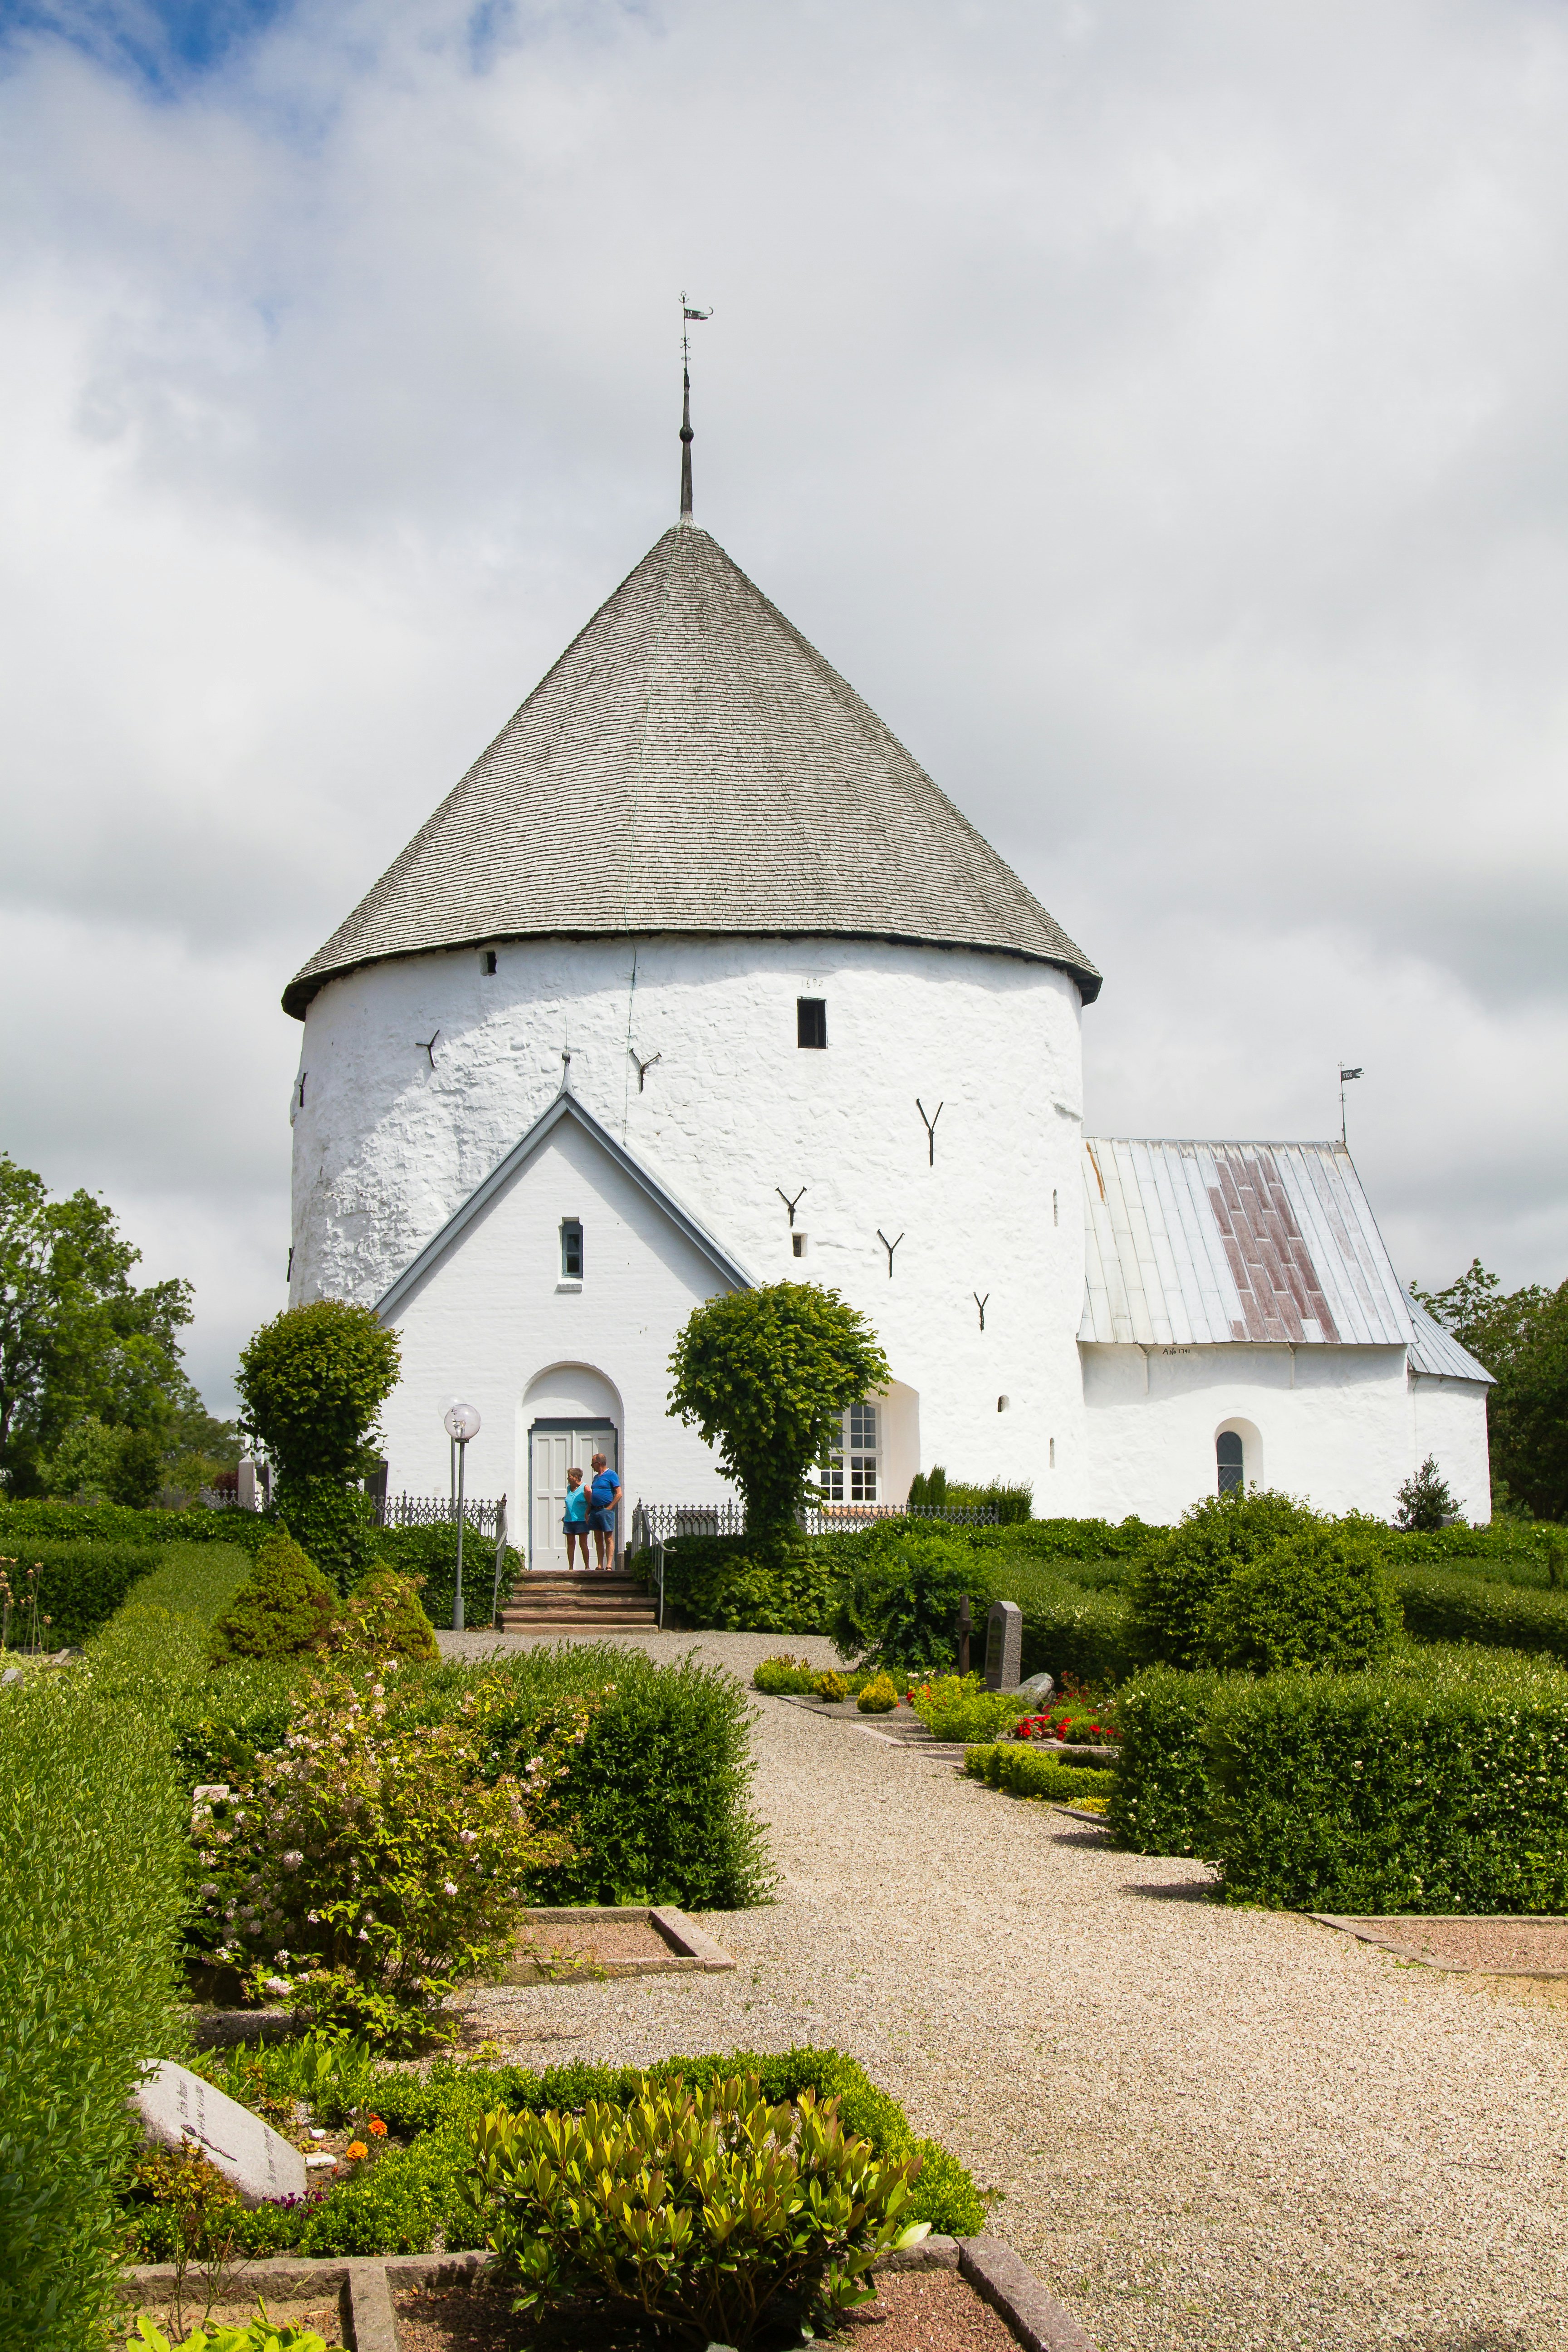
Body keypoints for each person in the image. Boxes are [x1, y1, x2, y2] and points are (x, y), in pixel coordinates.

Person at [587, 1451, 622, 1572]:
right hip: (595, 1511)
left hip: (606, 1510)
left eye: (593, 1463)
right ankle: (600, 1564)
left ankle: (609, 1565)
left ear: (600, 1463)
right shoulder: (596, 1478)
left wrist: (610, 1508)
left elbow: (619, 1494)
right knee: (598, 1539)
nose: (592, 1466)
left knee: (608, 1538)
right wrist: (589, 1511)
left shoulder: (611, 1475)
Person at [563, 1465, 589, 1570]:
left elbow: (590, 1503)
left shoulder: (585, 1488)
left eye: (570, 1476)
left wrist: (587, 1514)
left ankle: (587, 1566)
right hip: (569, 1520)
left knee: (583, 1544)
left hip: (581, 1520)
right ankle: (571, 1567)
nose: (568, 1478)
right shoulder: (569, 1488)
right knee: (570, 1544)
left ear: (576, 1477)